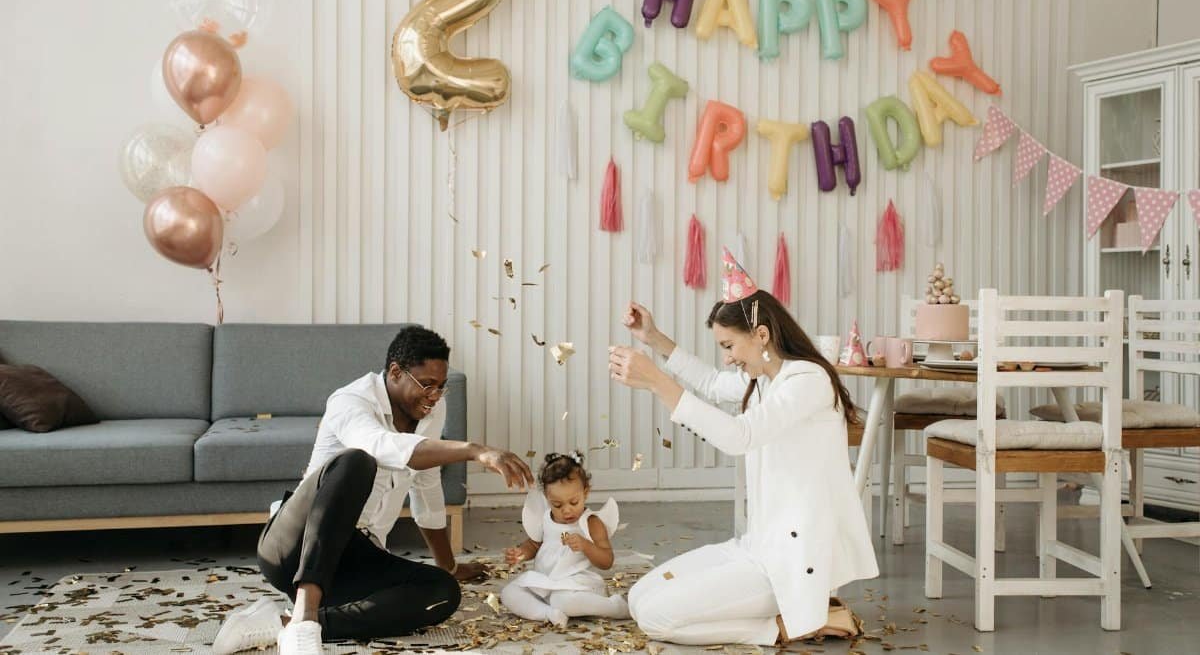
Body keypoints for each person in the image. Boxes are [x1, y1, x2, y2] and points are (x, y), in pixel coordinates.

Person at [608, 248, 878, 646]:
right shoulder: (766, 379)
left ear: (762, 335)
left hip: (788, 559)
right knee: (639, 597)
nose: (728, 358)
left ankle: (790, 624)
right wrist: (654, 339)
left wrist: (655, 382)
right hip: (755, 545)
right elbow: (714, 385)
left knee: (656, 617)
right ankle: (803, 613)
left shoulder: (807, 382)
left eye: (729, 346)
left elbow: (740, 436)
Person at [213, 326, 534, 655]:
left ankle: (280, 623)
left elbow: (425, 485)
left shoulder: (431, 410)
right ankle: (304, 620)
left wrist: (449, 566)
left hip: (354, 557)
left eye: (441, 387)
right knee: (356, 462)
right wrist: (473, 449)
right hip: (294, 549)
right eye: (426, 385)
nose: (435, 397)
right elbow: (379, 446)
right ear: (396, 372)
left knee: (441, 591)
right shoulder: (349, 400)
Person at [499, 451, 629, 627]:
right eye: (557, 505)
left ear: (586, 492)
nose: (566, 510)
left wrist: (586, 545)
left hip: (576, 585)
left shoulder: (591, 522)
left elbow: (607, 561)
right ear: (547, 498)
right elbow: (533, 544)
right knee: (509, 592)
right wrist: (521, 553)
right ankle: (549, 613)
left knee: (563, 600)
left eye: (574, 502)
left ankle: (613, 607)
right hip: (545, 582)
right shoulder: (545, 518)